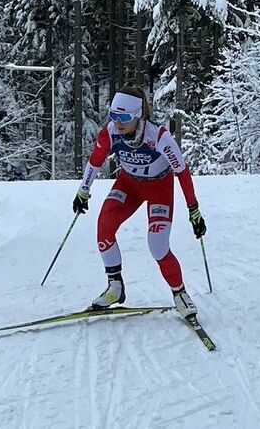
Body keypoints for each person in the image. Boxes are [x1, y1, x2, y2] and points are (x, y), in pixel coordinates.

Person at [72, 85, 207, 318]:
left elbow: (182, 172)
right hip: (129, 185)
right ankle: (115, 287)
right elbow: (96, 161)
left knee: (157, 244)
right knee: (104, 227)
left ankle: (180, 293)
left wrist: (193, 210)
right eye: (114, 115)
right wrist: (83, 191)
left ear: (138, 116)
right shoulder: (110, 132)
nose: (118, 122)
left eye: (124, 117)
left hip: (158, 188)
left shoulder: (160, 137)